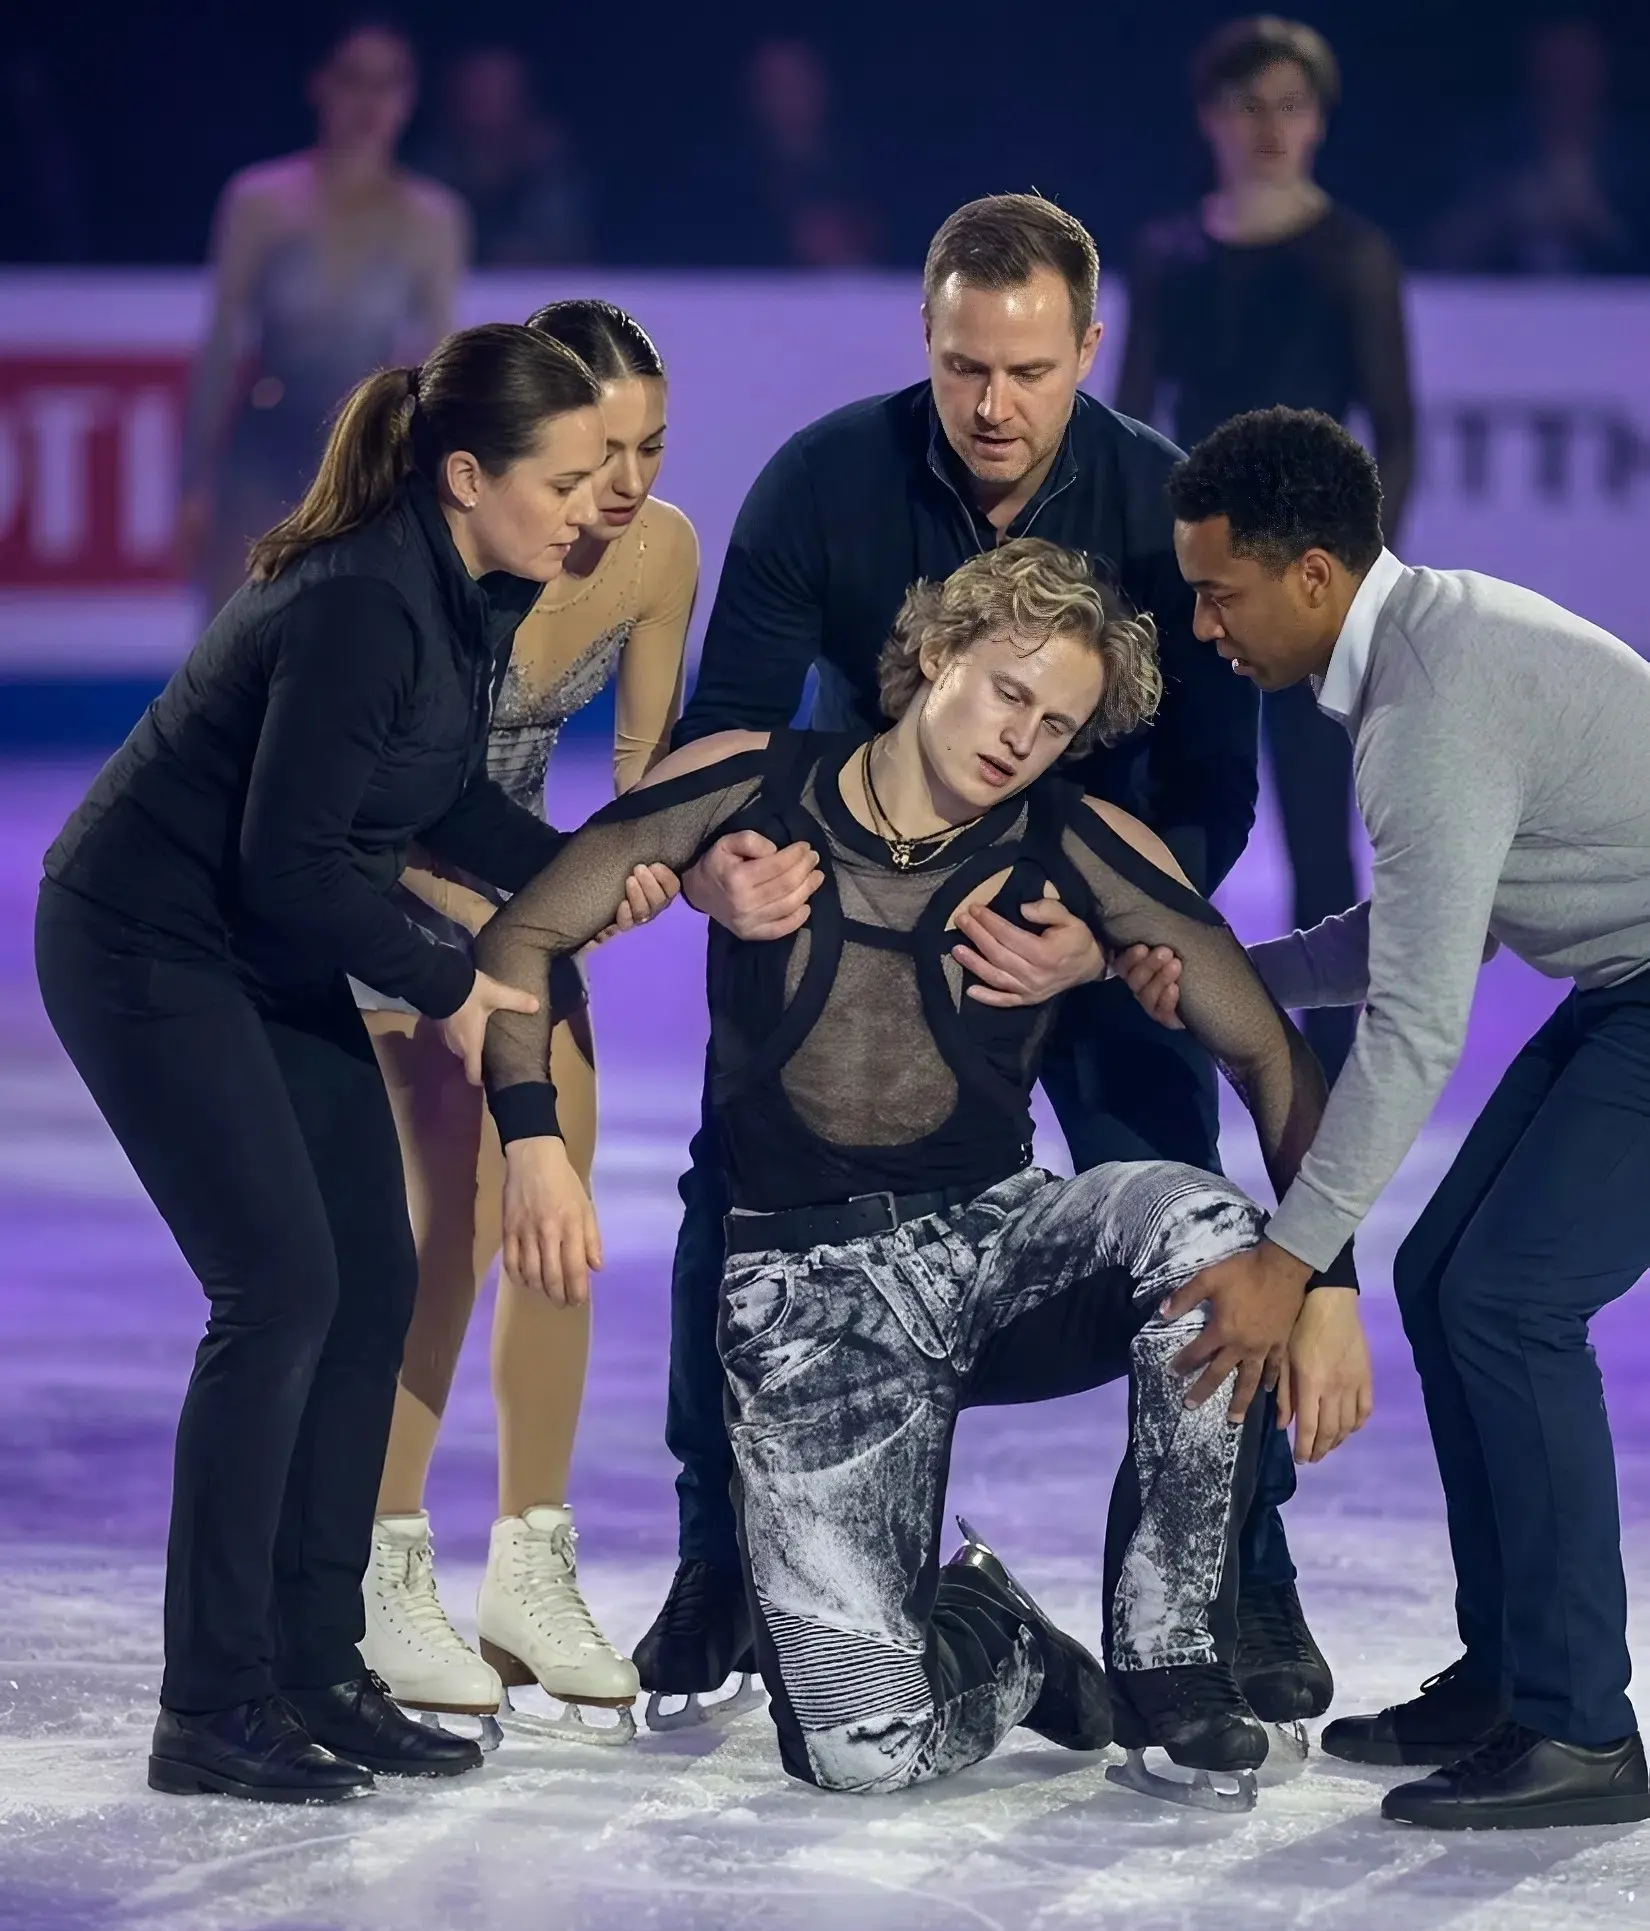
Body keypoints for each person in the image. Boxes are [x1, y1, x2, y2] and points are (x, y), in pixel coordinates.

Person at [474, 538, 1369, 1804]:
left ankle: (1173, 1662)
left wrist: (1320, 1274)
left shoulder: (1084, 841)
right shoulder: (748, 782)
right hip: (802, 1303)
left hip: (1001, 1245)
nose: (1022, 738)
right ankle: (998, 1635)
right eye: (1008, 692)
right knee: (860, 1753)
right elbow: (525, 930)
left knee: (1210, 1228)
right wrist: (531, 1146)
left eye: (1056, 723)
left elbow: (1273, 1056)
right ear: (938, 652)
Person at [639, 192, 1340, 1741]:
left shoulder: (1165, 507)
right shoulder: (822, 482)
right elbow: (727, 739)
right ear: (928, 338)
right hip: (862, 925)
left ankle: (1241, 1561)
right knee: (724, 1177)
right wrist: (722, 866)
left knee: (1175, 1182)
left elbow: (1210, 793)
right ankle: (718, 1556)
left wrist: (1103, 943)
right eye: (964, 366)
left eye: (1027, 370)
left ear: (1089, 347)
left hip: (1083, 933)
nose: (992, 403)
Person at [34, 323, 676, 1805]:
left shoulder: (471, 587)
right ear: (467, 476)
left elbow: (440, 793)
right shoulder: (362, 605)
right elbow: (289, 864)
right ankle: (210, 1701)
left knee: (369, 1278)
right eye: (569, 475)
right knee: (279, 1290)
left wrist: (602, 870)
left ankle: (321, 1665)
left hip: (251, 942)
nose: (597, 501)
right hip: (146, 942)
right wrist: (458, 983)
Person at [1117, 403, 1650, 1831]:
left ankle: (1580, 1727)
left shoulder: (1430, 701)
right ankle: (1509, 1675)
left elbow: (1417, 1025)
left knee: (1510, 1300)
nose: (1204, 628)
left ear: (1309, 578)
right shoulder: (1424, 650)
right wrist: (1235, 977)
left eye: (1219, 595)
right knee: (1443, 1277)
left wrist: (1288, 1261)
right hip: (1628, 980)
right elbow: (1426, 928)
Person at [352, 301, 697, 1741]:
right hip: (375, 893)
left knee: (559, 1220)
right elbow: (388, 785)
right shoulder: (460, 551)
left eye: (649, 448)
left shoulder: (655, 551)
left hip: (513, 894)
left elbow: (638, 780)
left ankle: (527, 1558)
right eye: (597, 449)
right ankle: (380, 1559)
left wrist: (639, 867)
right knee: (451, 1224)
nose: (619, 482)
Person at [1115, 16, 1414, 1083]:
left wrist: (1355, 584)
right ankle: (1157, 1035)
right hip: (1188, 585)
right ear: (1211, 119)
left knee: (1321, 836)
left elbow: (1397, 427)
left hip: (1306, 591)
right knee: (1166, 813)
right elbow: (1134, 416)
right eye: (1250, 105)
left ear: (1320, 119)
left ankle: (1324, 1072)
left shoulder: (1353, 256)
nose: (1270, 126)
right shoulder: (1169, 253)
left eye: (1291, 105)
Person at [178, 19, 469, 614]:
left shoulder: (432, 218)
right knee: (234, 659)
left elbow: (441, 363)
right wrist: (194, 484)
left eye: (388, 83)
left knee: (348, 660)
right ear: (321, 85)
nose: (370, 100)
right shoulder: (260, 201)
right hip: (261, 453)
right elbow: (220, 347)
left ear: (409, 97)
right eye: (355, 80)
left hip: (366, 464)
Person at [1425, 15, 1649, 277]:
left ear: (1602, 70)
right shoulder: (1486, 151)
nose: (1565, 82)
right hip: (1501, 311)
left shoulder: (1635, 163)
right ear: (1532, 69)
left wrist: (1601, 224)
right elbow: (1430, 257)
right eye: (1553, 66)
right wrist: (1506, 212)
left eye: (1576, 66)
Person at [415, 47, 592, 266]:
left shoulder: (551, 171)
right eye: (476, 91)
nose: (486, 103)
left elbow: (569, 251)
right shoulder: (427, 173)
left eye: (498, 91)